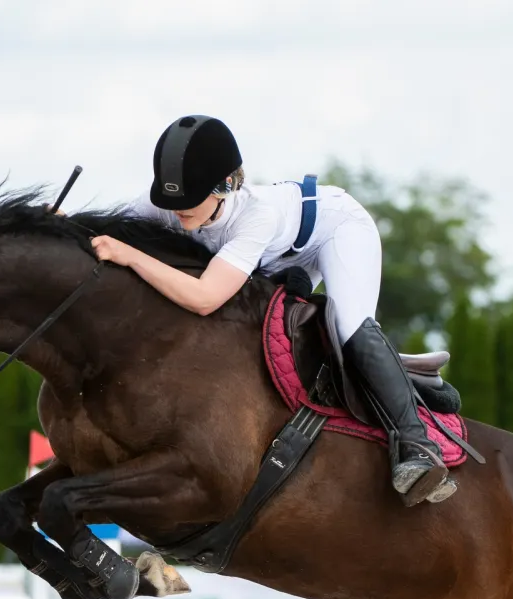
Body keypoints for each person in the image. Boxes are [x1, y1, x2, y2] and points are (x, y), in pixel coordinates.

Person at [88, 114, 455, 506]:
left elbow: (203, 297)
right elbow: (102, 231)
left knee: (349, 328)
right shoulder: (170, 204)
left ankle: (417, 445)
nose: (176, 211)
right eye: (170, 200)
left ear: (225, 186)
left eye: (188, 200)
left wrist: (129, 256)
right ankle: (406, 375)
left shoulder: (255, 216)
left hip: (335, 231)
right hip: (279, 258)